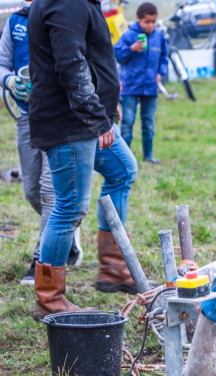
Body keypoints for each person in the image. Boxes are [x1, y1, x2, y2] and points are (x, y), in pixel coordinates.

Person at [28, 0, 139, 319]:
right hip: (70, 122)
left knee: (122, 170)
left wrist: (107, 104)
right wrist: (97, 117)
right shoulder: (67, 2)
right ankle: (49, 298)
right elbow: (71, 64)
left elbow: (89, 56)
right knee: (69, 207)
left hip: (87, 118)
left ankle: (114, 269)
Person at [0, 3, 83, 286]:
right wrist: (10, 81)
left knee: (50, 192)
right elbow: (2, 64)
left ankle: (40, 262)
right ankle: (65, 231)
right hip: (27, 116)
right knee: (32, 192)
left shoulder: (62, 14)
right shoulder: (15, 22)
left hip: (59, 117)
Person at [114, 2, 168, 164]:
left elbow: (164, 58)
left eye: (153, 21)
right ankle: (124, 159)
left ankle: (148, 156)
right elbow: (117, 55)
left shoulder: (159, 37)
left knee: (148, 122)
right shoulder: (128, 35)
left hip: (150, 87)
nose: (151, 25)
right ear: (138, 19)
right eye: (147, 22)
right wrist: (131, 49)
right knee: (127, 122)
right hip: (130, 86)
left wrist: (160, 73)